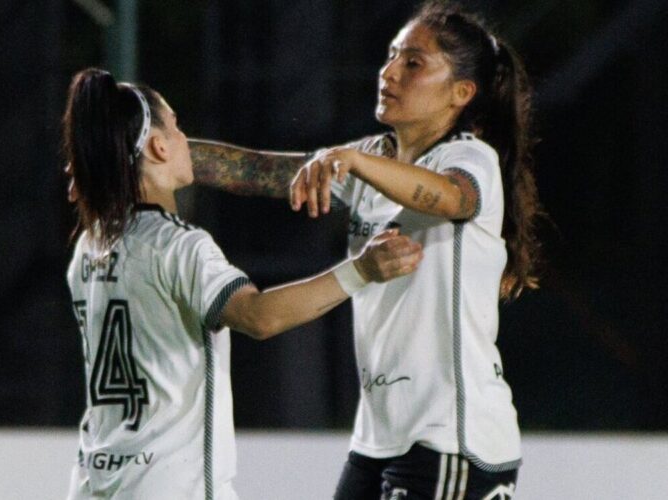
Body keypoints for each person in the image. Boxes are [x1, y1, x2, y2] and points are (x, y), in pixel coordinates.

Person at [189, 2, 543, 498]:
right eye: (392, 56)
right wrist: (159, 150)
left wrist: (351, 160)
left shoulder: (469, 158)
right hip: (380, 441)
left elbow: (451, 197)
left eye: (413, 63)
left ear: (461, 93)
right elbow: (256, 171)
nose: (390, 71)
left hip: (449, 440)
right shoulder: (373, 161)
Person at [61, 68, 423, 500]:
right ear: (159, 147)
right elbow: (259, 316)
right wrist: (361, 270)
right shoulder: (179, 246)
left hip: (93, 481)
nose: (184, 138)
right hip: (170, 486)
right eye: (176, 126)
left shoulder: (90, 244)